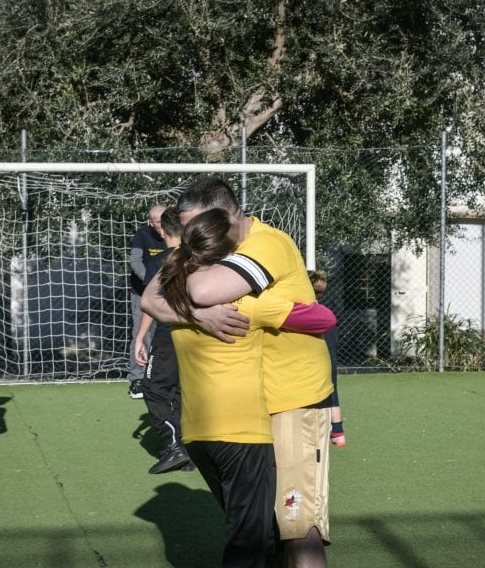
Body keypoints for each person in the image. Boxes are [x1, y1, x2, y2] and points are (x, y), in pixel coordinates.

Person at [147, 177, 333, 568]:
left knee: (299, 525)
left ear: (227, 216)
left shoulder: (266, 244)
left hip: (291, 401)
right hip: (248, 414)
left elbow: (199, 291)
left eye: (198, 228)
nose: (188, 240)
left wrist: (192, 306)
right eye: (185, 231)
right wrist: (197, 316)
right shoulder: (210, 252)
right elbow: (153, 298)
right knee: (265, 528)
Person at [134, 207, 193, 474]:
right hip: (197, 336)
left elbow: (151, 303)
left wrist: (139, 338)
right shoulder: (199, 258)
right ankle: (188, 452)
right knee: (182, 392)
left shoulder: (162, 262)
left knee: (154, 390)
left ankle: (174, 446)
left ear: (163, 229)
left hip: (168, 335)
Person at [127, 204, 166, 399]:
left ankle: (163, 377)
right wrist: (151, 283)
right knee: (141, 335)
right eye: (159, 222)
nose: (163, 226)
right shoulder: (142, 235)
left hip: (168, 294)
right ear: (151, 223)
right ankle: (137, 379)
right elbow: (136, 261)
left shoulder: (176, 235)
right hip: (142, 293)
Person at [308, 270, 346, 447]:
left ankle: (322, 432)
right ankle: (338, 433)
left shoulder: (306, 314)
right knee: (333, 390)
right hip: (329, 356)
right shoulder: (326, 313)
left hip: (316, 361)